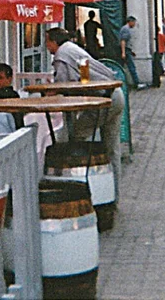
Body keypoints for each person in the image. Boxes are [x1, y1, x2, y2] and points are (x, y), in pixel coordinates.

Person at [45, 28, 125, 200]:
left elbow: (63, 86)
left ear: (54, 41)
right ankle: (113, 194)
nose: (46, 46)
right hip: (115, 94)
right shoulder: (72, 48)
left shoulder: (61, 55)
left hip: (102, 100)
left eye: (47, 41)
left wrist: (50, 91)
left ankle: (81, 186)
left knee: (77, 137)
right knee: (112, 149)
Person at [118, 15, 145, 89]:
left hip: (127, 50)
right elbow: (123, 41)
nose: (134, 24)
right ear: (130, 22)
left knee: (125, 67)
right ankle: (136, 83)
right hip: (126, 51)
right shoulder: (126, 29)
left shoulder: (125, 29)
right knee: (131, 67)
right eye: (134, 23)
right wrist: (123, 52)